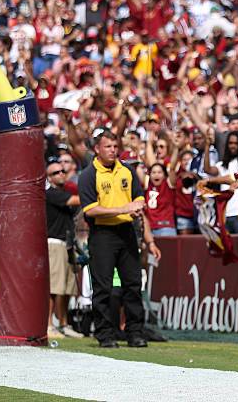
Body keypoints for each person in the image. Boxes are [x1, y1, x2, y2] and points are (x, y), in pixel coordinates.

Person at [78, 131, 161, 348]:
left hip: (126, 231)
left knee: (133, 284)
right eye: (108, 147)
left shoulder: (127, 170)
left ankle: (135, 332)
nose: (113, 150)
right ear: (97, 149)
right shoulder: (89, 175)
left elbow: (139, 197)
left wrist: (137, 208)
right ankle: (105, 334)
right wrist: (123, 208)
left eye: (115, 146)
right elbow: (91, 210)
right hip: (102, 234)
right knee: (103, 287)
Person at [45, 157, 83, 339]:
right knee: (54, 288)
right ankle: (48, 324)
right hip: (54, 243)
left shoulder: (63, 191)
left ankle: (64, 323)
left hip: (66, 243)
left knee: (68, 287)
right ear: (49, 178)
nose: (61, 174)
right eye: (55, 173)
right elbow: (76, 200)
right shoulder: (51, 193)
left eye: (62, 171)